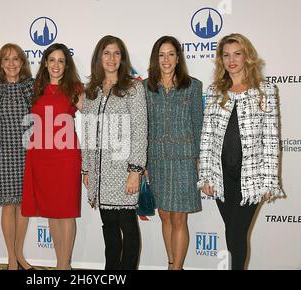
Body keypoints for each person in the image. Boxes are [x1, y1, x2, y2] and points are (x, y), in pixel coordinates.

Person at [198, 33, 283, 270]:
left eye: (237, 54)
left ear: (247, 57)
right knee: (231, 231)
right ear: (221, 60)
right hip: (220, 175)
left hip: (251, 178)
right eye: (226, 55)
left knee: (236, 231)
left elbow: (271, 138)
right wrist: (205, 175)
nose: (231, 60)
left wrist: (269, 181)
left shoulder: (265, 90)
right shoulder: (216, 90)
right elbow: (206, 135)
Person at [81, 35, 147, 270]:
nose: (111, 58)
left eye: (116, 53)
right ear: (99, 57)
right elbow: (87, 134)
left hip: (123, 169)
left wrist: (135, 170)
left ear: (123, 58)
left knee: (127, 224)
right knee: (108, 225)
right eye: (106, 53)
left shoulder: (133, 87)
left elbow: (140, 129)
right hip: (99, 172)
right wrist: (86, 169)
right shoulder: (91, 90)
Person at [143, 36, 203, 270]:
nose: (166, 60)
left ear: (178, 58)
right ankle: (171, 262)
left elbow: (198, 124)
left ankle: (177, 267)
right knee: (165, 214)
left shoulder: (193, 86)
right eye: (161, 55)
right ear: (155, 59)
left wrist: (199, 159)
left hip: (184, 159)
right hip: (156, 159)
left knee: (179, 217)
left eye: (170, 54)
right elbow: (143, 126)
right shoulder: (145, 88)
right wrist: (143, 160)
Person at [21, 43, 83, 270]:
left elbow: (94, 112)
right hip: (40, 157)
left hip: (66, 157)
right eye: (52, 60)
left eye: (61, 61)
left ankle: (64, 266)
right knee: (52, 213)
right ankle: (60, 264)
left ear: (67, 66)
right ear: (45, 63)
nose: (56, 65)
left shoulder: (74, 88)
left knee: (66, 213)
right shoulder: (35, 88)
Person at [0, 43, 35, 270]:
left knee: (24, 206)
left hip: (28, 154)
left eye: (16, 59)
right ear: (0, 64)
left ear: (22, 63)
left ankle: (19, 254)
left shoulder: (32, 87)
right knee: (8, 206)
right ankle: (11, 258)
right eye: (6, 59)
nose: (12, 63)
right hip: (3, 154)